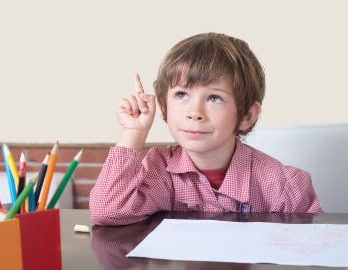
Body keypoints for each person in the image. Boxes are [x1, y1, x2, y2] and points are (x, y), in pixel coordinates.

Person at [89, 32, 322, 226]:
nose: (194, 111)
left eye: (214, 98)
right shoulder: (160, 170)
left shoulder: (285, 185)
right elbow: (107, 212)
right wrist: (133, 133)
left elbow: (310, 249)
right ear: (164, 106)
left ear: (247, 115)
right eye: (181, 94)